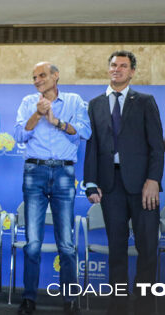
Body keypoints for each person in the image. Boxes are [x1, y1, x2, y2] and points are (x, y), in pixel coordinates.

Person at [84, 50, 164, 315]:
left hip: (143, 187)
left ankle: (144, 308)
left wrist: (153, 179)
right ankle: (117, 307)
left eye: (123, 66)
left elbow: (157, 146)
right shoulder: (95, 104)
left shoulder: (145, 101)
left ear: (132, 72)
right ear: (108, 70)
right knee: (116, 250)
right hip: (110, 186)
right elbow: (92, 146)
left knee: (148, 249)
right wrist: (90, 183)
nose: (117, 69)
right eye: (113, 65)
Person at [14, 62, 91, 315]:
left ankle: (70, 300)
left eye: (42, 75)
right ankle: (28, 299)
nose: (37, 80)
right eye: (34, 76)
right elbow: (19, 135)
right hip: (34, 172)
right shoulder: (28, 101)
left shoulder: (74, 100)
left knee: (66, 244)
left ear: (56, 76)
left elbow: (85, 133)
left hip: (64, 173)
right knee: (33, 243)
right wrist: (37, 114)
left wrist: (55, 121)